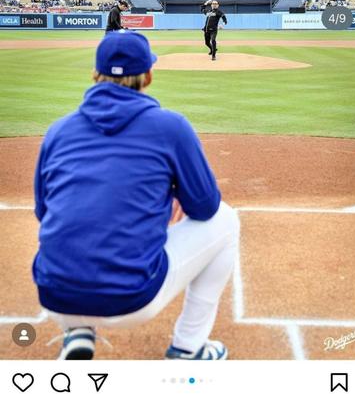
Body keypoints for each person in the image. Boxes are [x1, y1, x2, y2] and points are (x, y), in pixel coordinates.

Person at [32, 31, 240, 361]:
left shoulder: (59, 130)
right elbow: (205, 207)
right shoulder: (170, 126)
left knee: (74, 216)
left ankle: (76, 329)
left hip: (54, 297)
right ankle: (189, 346)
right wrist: (169, 199)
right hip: (131, 301)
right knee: (227, 220)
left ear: (94, 75)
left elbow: (44, 212)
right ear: (148, 76)